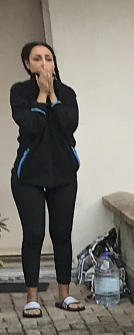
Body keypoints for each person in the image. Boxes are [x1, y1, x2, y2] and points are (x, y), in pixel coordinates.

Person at [10, 41, 83, 317]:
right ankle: (32, 298)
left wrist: (53, 95)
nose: (44, 64)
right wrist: (40, 95)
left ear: (54, 63)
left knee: (62, 234)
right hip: (28, 176)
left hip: (63, 173)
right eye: (37, 59)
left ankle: (64, 294)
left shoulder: (67, 93)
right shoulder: (19, 92)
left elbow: (68, 126)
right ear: (28, 65)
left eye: (48, 58)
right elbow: (31, 127)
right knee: (34, 234)